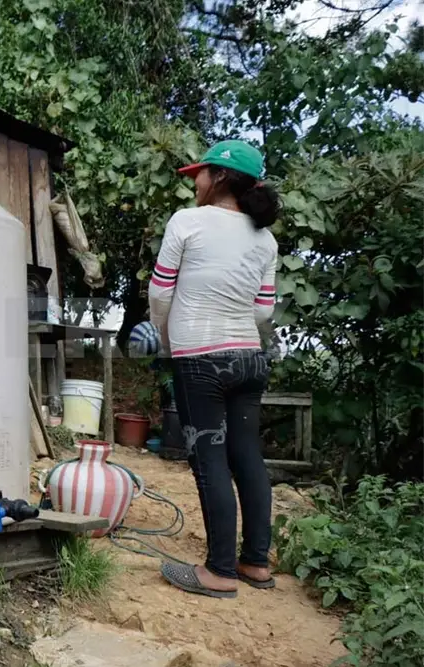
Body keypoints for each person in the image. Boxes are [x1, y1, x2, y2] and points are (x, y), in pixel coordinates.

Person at [147, 139, 281, 599]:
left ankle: (220, 572)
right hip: (249, 357)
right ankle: (255, 563)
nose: (195, 182)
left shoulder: (188, 221)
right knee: (246, 455)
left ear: (219, 176)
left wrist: (166, 336)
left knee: (209, 460)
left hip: (200, 358)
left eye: (199, 174)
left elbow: (161, 293)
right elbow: (263, 311)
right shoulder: (265, 238)